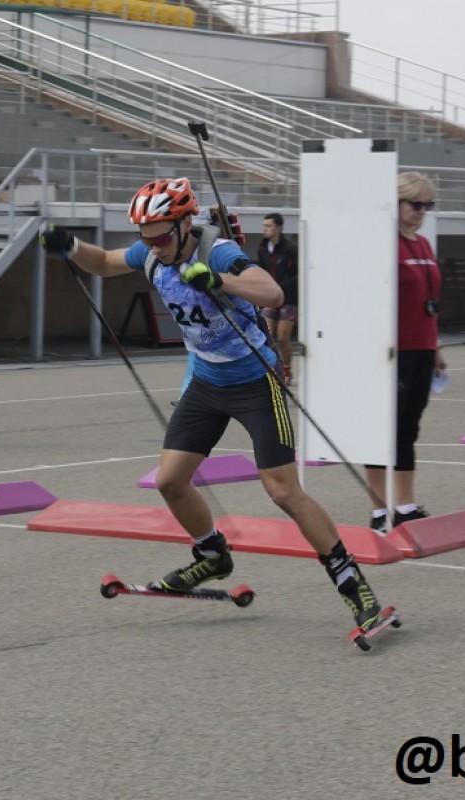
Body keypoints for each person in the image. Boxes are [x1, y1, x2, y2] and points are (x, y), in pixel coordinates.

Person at [41, 177, 387, 632]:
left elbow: (272, 293)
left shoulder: (216, 251)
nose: (154, 247)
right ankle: (212, 554)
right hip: (207, 382)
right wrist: (69, 245)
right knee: (170, 481)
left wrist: (218, 279)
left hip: (255, 382)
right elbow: (104, 263)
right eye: (147, 239)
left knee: (283, 491)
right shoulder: (152, 251)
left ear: (186, 224)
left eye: (162, 237)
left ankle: (351, 580)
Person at [367, 172, 445, 533]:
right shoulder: (382, 245)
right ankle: (380, 509)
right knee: (382, 429)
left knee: (408, 428)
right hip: (392, 351)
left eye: (427, 205)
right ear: (396, 204)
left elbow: (430, 301)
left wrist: (437, 346)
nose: (422, 212)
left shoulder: (424, 246)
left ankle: (407, 505)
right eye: (415, 205)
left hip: (423, 347)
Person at [257, 212, 298, 384]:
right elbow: (261, 270)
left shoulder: (290, 249)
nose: (265, 229)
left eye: (269, 226)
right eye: (264, 225)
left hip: (288, 299)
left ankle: (287, 368)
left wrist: (282, 287)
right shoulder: (262, 248)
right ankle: (274, 367)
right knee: (266, 335)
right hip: (270, 297)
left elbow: (297, 274)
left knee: (282, 337)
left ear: (278, 228)